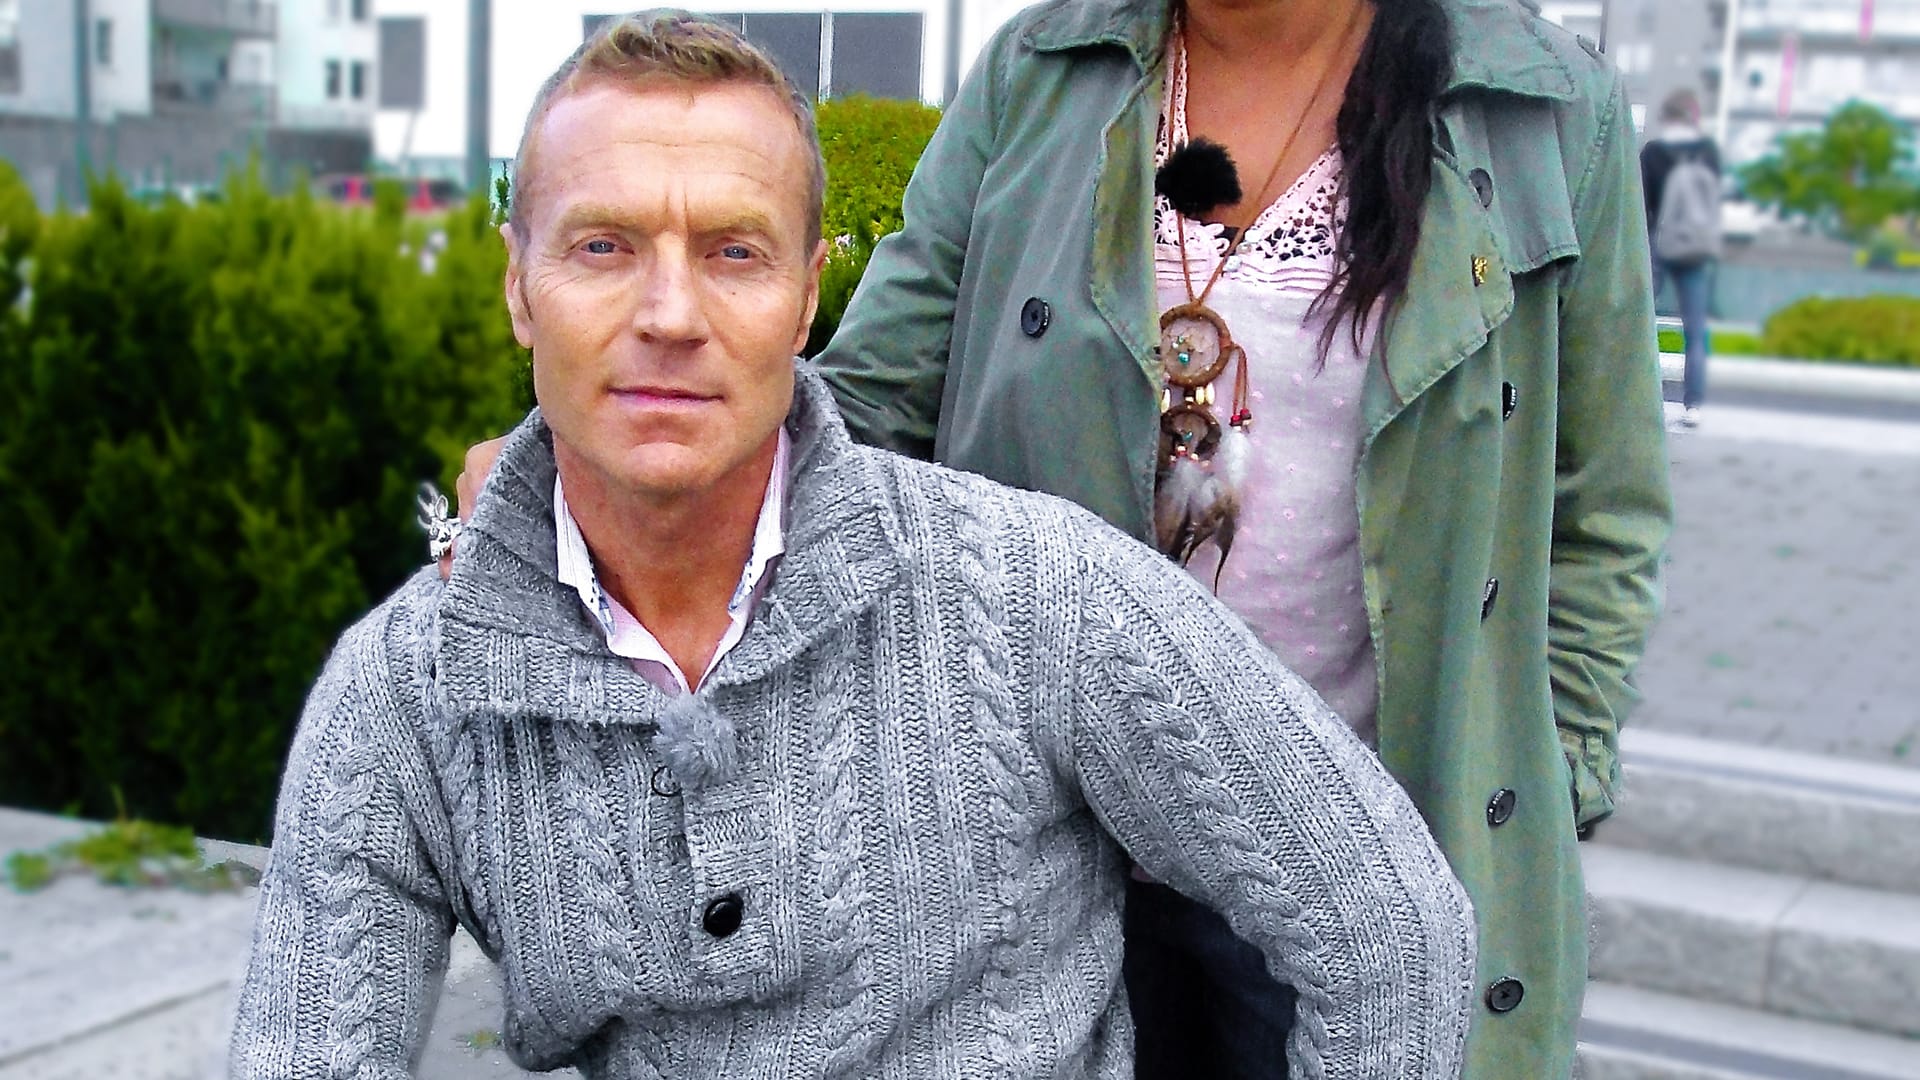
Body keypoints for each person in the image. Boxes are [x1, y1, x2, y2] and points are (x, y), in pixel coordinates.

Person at [231, 13, 1478, 1079]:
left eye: (734, 253)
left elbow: (1387, 927)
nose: (669, 314)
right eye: (603, 247)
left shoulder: (1036, 595)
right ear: (518, 285)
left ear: (807, 294)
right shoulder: (405, 691)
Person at [812, 0, 1672, 1077]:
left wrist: (1555, 771)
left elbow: (1604, 498)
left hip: (1366, 859)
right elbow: (870, 409)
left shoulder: (1542, 106)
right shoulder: (1043, 70)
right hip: (1052, 849)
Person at [1640, 87, 1722, 427]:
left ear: (1665, 117)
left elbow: (1642, 205)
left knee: (1639, 320)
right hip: (1695, 247)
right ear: (1693, 118)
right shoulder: (1708, 152)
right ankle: (1693, 406)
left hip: (1658, 245)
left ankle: (1640, 398)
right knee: (1695, 331)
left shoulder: (1653, 152)